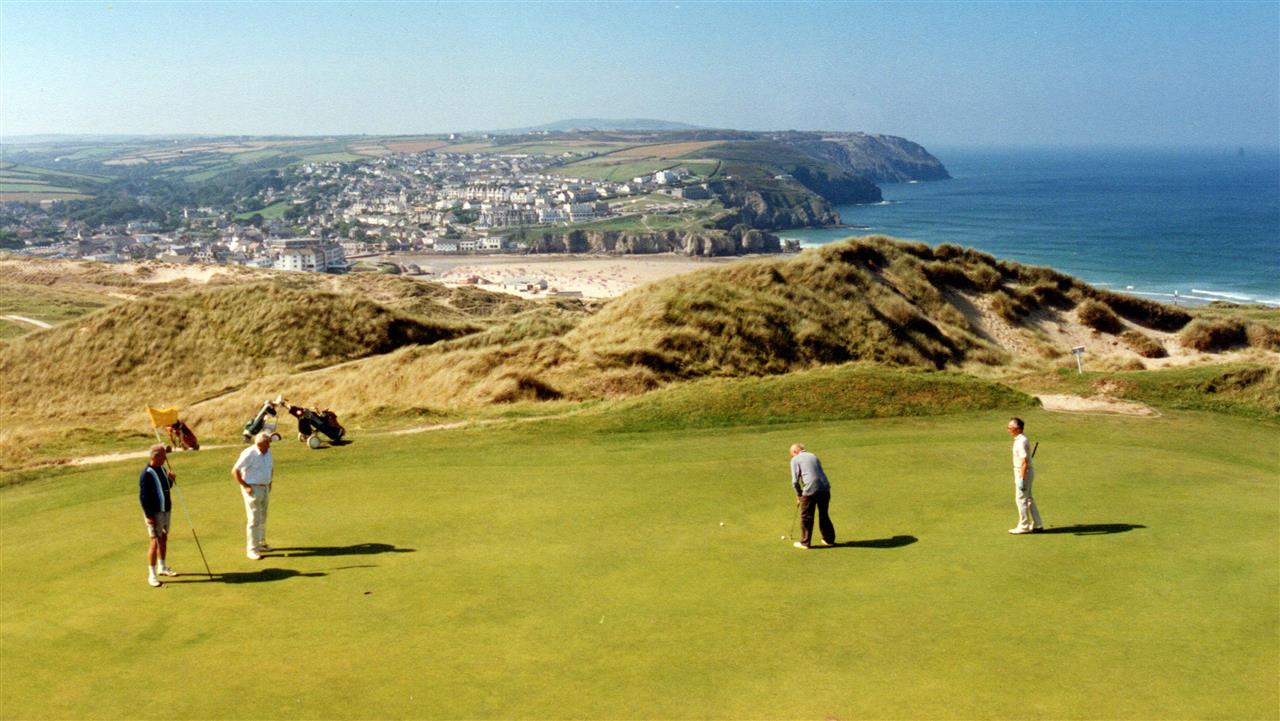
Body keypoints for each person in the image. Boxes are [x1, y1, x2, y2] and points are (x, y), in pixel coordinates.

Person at [139, 444, 177, 587]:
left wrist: (171, 480)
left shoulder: (162, 468)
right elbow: (143, 497)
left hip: (166, 509)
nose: (166, 458)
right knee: (154, 541)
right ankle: (152, 575)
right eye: (163, 455)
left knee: (164, 538)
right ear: (155, 456)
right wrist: (149, 516)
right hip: (154, 512)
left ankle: (162, 567)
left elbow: (166, 487)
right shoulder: (147, 473)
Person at [233, 432, 274, 560]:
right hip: (252, 488)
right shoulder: (249, 453)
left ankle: (261, 542)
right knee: (254, 519)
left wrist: (270, 481)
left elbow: (270, 468)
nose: (268, 447)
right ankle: (252, 550)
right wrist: (245, 485)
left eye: (268, 444)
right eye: (266, 445)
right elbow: (235, 470)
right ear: (258, 444)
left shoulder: (268, 452)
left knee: (263, 516)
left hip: (265, 487)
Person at [789, 443, 836, 549]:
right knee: (824, 514)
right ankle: (828, 539)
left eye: (792, 455)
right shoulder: (813, 455)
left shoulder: (795, 459)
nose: (792, 457)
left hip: (810, 489)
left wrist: (799, 494)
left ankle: (805, 543)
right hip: (825, 488)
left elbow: (795, 481)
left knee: (806, 517)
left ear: (795, 452)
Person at [1006, 417, 1044, 534]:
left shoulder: (1021, 441)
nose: (1008, 430)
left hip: (1024, 472)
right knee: (1028, 498)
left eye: (1010, 428)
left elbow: (1024, 461)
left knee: (1021, 499)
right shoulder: (1020, 439)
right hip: (1025, 471)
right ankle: (1038, 524)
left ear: (1017, 429)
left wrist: (1021, 479)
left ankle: (1024, 526)